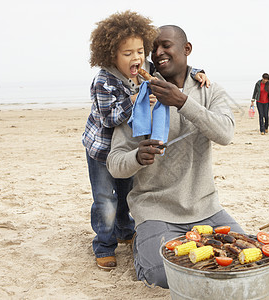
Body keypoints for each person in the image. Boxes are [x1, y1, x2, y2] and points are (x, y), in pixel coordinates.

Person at [107, 25, 244, 288]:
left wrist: (182, 102)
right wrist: (137, 157)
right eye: (154, 48)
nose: (158, 53)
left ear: (187, 49)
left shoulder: (209, 90)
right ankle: (141, 245)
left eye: (165, 46)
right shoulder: (139, 95)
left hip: (207, 209)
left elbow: (225, 133)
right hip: (156, 211)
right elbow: (115, 163)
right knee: (162, 275)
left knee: (247, 259)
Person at [82, 11, 209, 270]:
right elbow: (109, 119)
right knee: (106, 197)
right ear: (111, 56)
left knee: (126, 191)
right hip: (102, 149)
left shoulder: (145, 71)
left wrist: (196, 72)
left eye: (140, 51)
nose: (136, 58)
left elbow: (166, 73)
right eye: (127, 53)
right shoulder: (104, 81)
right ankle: (104, 245)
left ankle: (125, 229)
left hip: (129, 148)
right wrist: (132, 101)